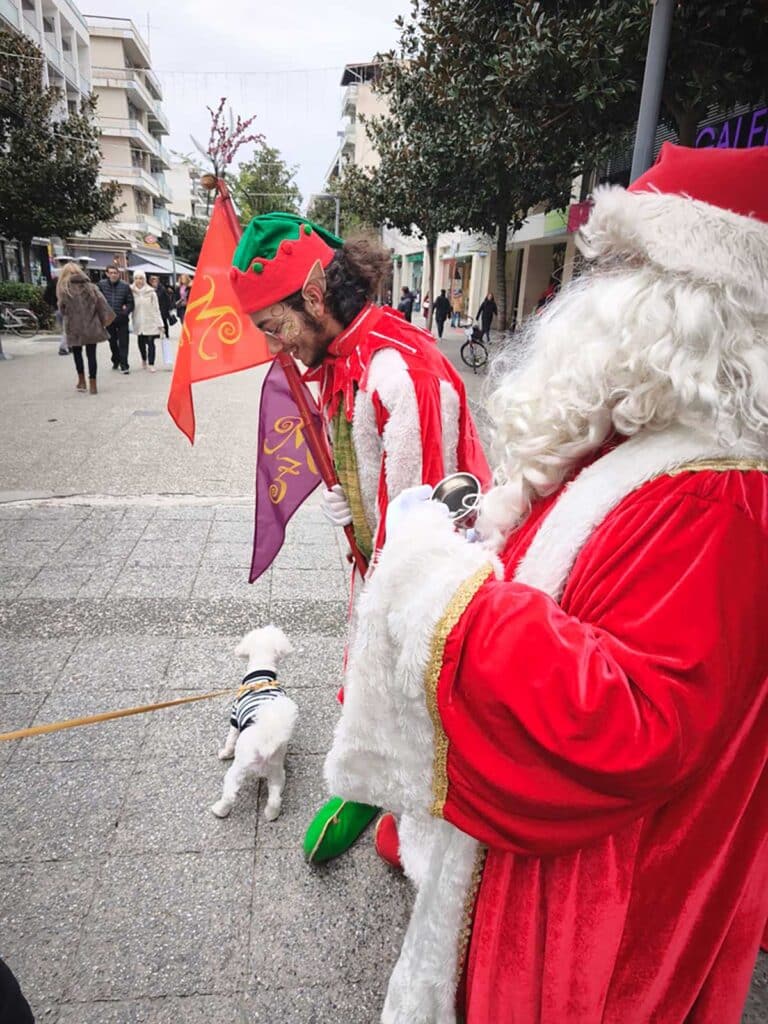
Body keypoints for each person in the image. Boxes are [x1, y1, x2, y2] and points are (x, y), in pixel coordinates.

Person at [324, 143, 768, 1023]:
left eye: (620, 270)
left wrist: (439, 586)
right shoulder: (654, 439)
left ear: (695, 305)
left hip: (608, 899)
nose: (587, 299)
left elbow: (630, 721)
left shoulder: (721, 494)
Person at [229, 213, 490, 866]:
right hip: (373, 565)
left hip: (425, 579)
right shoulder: (341, 358)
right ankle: (372, 779)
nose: (272, 347)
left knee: (419, 692)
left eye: (275, 327)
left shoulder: (403, 372)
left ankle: (418, 817)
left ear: (313, 296)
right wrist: (348, 501)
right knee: (368, 668)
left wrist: (388, 576)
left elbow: (438, 517)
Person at [56, 262, 114, 394]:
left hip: (74, 326)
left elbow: (62, 308)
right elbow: (102, 303)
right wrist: (105, 320)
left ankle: (82, 381)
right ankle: (93, 385)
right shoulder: (91, 287)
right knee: (91, 355)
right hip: (91, 325)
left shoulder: (64, 288)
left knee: (77, 354)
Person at [98, 265, 133, 373]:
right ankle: (116, 359)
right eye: (111, 273)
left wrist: (125, 312)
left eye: (115, 273)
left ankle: (124, 365)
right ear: (107, 274)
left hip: (122, 319)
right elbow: (98, 300)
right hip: (109, 319)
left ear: (118, 274)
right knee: (112, 342)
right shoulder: (101, 285)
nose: (113, 275)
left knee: (123, 342)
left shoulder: (125, 286)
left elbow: (131, 302)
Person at [131, 271, 164, 372]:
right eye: (136, 278)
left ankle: (151, 363)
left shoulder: (151, 292)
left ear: (144, 280)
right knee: (141, 342)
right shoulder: (131, 291)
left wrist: (160, 324)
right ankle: (144, 359)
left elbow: (156, 309)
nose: (139, 281)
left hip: (150, 321)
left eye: (141, 278)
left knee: (150, 342)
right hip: (138, 321)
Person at [149, 273, 171, 338]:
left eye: (155, 280)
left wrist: (168, 308)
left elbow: (166, 298)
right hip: (154, 308)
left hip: (163, 308)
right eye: (152, 280)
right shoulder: (150, 288)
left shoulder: (162, 288)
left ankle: (166, 333)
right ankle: (158, 333)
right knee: (156, 321)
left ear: (158, 281)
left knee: (164, 321)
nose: (154, 281)